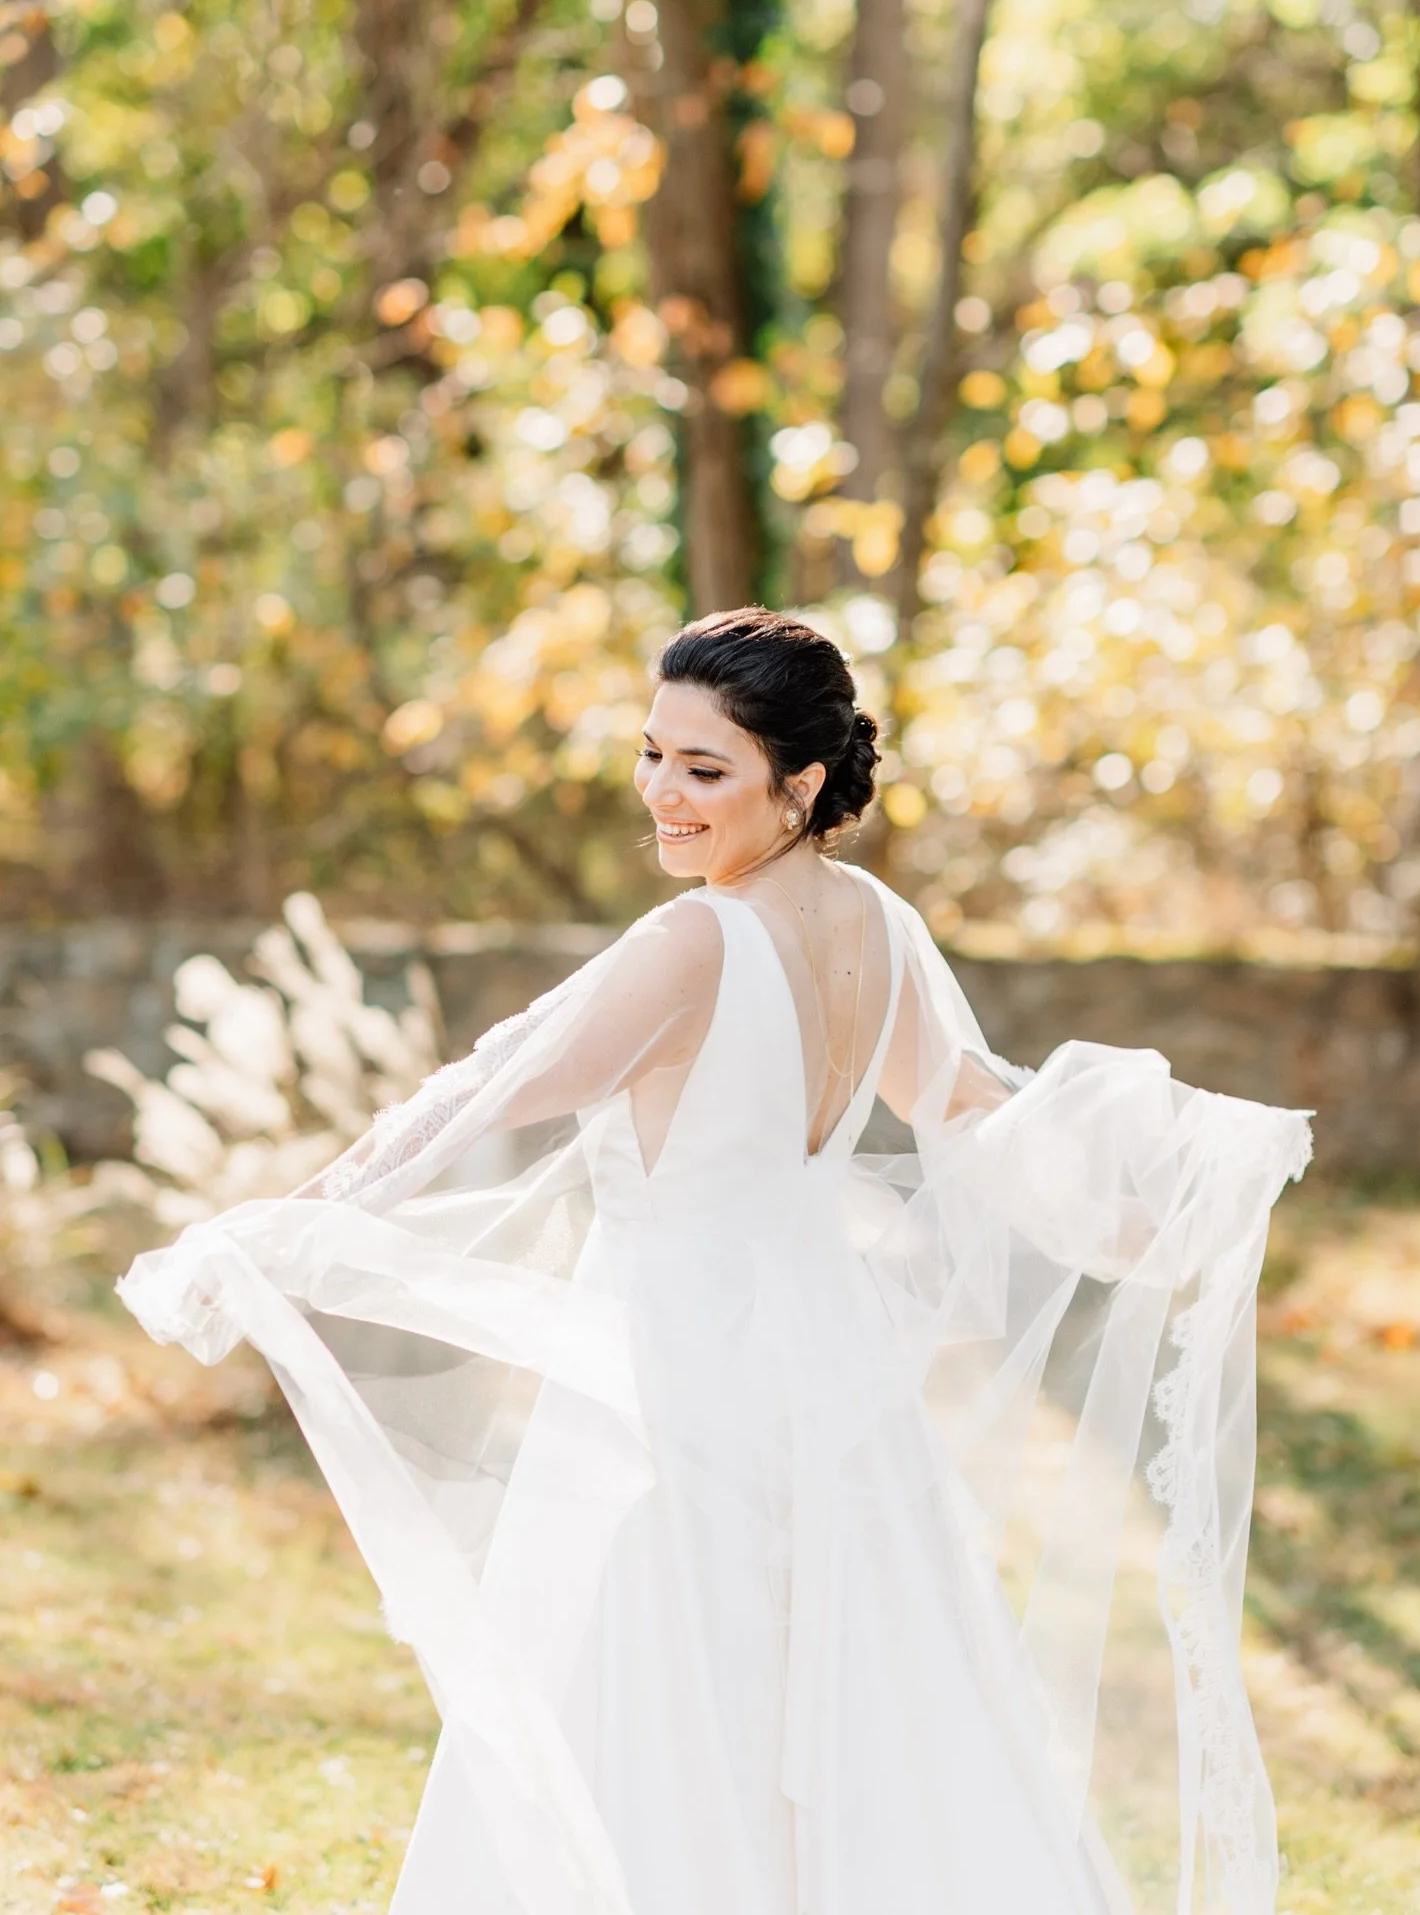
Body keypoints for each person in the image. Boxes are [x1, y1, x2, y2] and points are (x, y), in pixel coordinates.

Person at [119, 607, 1311, 1915]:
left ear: (799, 784)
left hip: (672, 1375)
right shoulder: (878, 927)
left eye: (705, 768)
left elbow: (487, 1090)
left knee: (651, 1693)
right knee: (852, 1691)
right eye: (652, 754)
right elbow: (970, 1104)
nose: (661, 795)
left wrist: (288, 1214)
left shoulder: (691, 941)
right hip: (832, 1371)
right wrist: (1136, 1214)